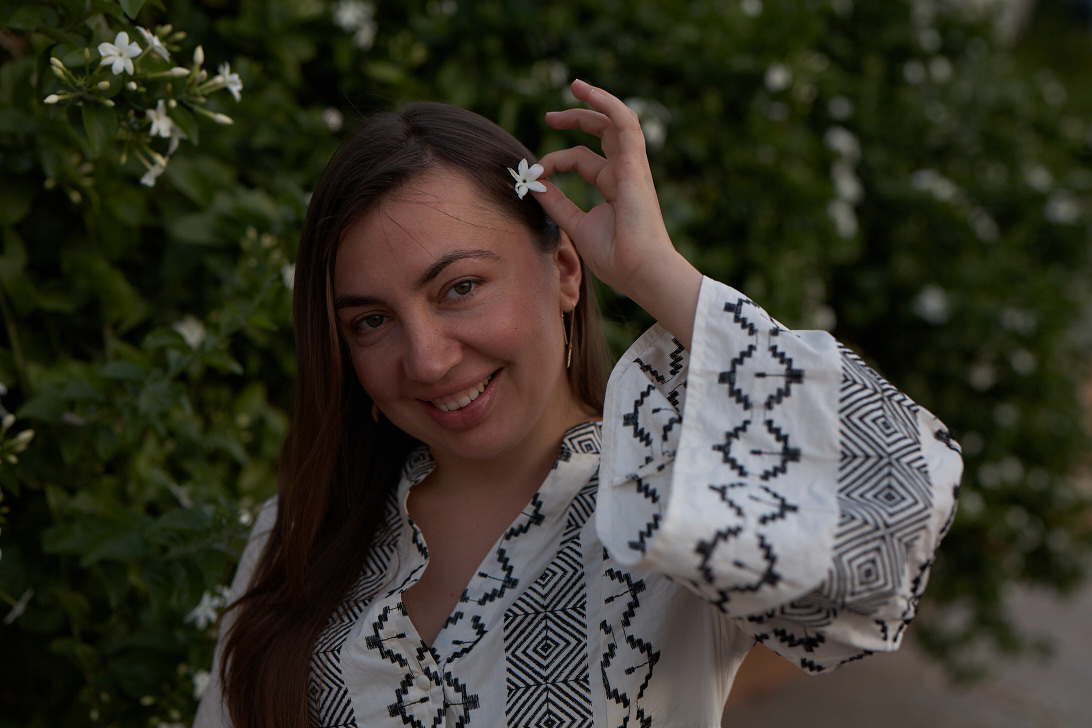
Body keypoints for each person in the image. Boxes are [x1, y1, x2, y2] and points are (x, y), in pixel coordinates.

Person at [194, 79, 962, 728]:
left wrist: (661, 277)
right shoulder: (302, 532)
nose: (426, 359)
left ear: (566, 269)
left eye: (459, 287)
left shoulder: (682, 506)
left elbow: (889, 524)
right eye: (371, 321)